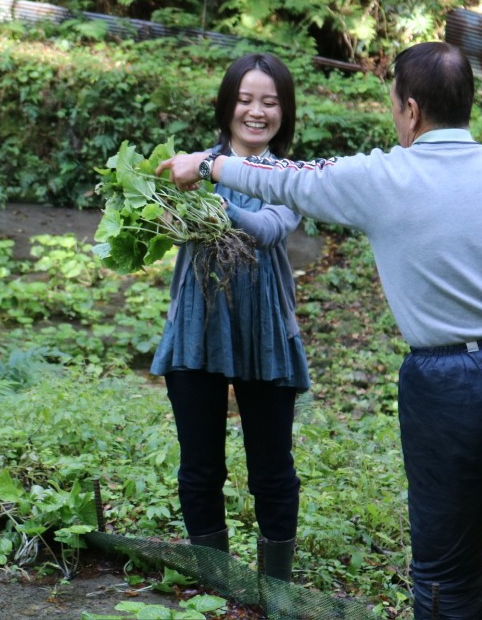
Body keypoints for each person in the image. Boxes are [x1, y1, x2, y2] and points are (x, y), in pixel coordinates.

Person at [158, 41, 482, 618]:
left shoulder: (381, 177)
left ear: (411, 110)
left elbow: (294, 183)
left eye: (394, 104)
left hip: (447, 382)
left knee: (447, 560)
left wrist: (208, 165)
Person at [152, 53, 311, 582]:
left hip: (265, 333)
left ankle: (276, 588)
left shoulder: (290, 178)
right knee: (200, 467)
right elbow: (162, 227)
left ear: (285, 112)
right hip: (196, 329)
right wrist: (161, 211)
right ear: (227, 106)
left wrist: (214, 199)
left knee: (272, 469)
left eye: (269, 102)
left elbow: (266, 230)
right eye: (245, 100)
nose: (256, 112)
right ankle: (213, 581)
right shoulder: (187, 167)